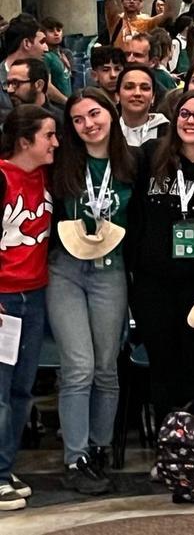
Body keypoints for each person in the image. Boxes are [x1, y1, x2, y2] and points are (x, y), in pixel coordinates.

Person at [47, 92, 136, 496]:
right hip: (65, 270)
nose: (88, 124)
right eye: (78, 119)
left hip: (110, 269)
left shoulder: (132, 162)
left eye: (95, 114)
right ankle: (75, 457)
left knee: (105, 367)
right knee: (78, 366)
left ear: (111, 114)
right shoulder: (61, 161)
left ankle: (99, 448)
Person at [127, 91, 194, 420]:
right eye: (185, 114)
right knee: (162, 362)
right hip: (152, 281)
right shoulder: (150, 155)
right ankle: (167, 438)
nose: (191, 121)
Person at [0, 107, 59, 511]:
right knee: (1, 392)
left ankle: (5, 468)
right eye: (48, 136)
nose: (55, 143)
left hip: (34, 295)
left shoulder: (45, 177)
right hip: (5, 298)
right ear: (25, 141)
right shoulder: (3, 177)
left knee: (22, 389)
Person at [116, 65, 169, 146]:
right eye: (129, 87)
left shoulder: (168, 132)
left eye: (145, 88)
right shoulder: (107, 130)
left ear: (153, 97)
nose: (137, 93)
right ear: (117, 95)